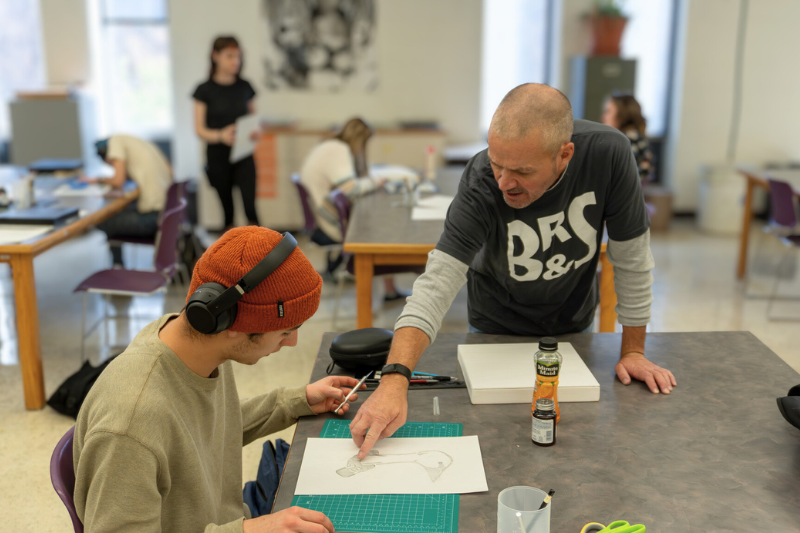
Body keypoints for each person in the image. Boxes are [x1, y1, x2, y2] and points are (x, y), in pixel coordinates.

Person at [348, 83, 677, 460]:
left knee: (571, 447)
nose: (504, 182)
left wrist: (633, 350)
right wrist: (394, 379)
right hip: (495, 328)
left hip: (572, 325)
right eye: (496, 163)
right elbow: (436, 284)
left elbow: (632, 260)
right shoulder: (480, 182)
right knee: (500, 446)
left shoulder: (609, 154)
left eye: (521, 171)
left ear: (564, 155)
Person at [73, 227, 357, 532]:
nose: (291, 342)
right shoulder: (130, 423)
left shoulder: (198, 346)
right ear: (232, 323)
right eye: (285, 330)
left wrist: (294, 401)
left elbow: (207, 432)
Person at [299, 117, 406, 300]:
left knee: (378, 215)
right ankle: (389, 288)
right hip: (332, 224)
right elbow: (351, 188)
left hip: (325, 216)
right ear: (360, 140)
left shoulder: (332, 145)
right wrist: (378, 181)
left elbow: (351, 179)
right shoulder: (339, 150)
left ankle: (389, 288)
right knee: (385, 224)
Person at [193, 36, 260, 231]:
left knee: (251, 208)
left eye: (238, 56)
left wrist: (255, 132)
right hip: (217, 158)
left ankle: (260, 254)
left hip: (244, 154)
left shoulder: (245, 87)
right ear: (215, 56)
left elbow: (254, 120)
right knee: (227, 210)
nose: (235, 61)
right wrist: (221, 135)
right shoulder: (203, 90)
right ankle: (229, 257)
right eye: (230, 56)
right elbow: (199, 129)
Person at [85, 136, 172, 268]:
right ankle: (117, 265)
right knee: (118, 211)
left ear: (107, 156)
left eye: (111, 163)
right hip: (167, 216)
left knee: (100, 218)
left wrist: (98, 180)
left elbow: (118, 180)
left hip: (153, 219)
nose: (112, 165)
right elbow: (171, 171)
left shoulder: (115, 142)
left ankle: (117, 265)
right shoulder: (139, 142)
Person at [601, 93, 654, 182]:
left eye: (608, 111)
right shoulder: (636, 138)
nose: (603, 117)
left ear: (622, 115)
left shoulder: (626, 141)